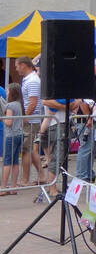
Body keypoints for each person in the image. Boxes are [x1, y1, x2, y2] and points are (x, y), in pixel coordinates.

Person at [76, 58, 96, 182]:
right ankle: (81, 174)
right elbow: (82, 99)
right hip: (86, 119)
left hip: (91, 117)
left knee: (91, 148)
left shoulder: (94, 80)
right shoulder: (88, 80)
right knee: (86, 147)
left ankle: (88, 172)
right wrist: (88, 117)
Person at [15, 56, 42, 188]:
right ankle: (42, 175)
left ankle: (25, 179)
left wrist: (25, 118)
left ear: (23, 65)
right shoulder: (31, 79)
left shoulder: (32, 81)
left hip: (31, 119)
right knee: (30, 149)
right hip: (32, 118)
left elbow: (33, 102)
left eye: (17, 66)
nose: (16, 69)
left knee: (26, 149)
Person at [1, 84, 24, 195]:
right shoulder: (19, 104)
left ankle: (4, 186)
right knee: (15, 161)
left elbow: (9, 122)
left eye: (8, 91)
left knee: (7, 161)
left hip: (11, 135)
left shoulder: (9, 106)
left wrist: (2, 118)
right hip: (19, 134)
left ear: (12, 93)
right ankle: (13, 187)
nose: (6, 93)